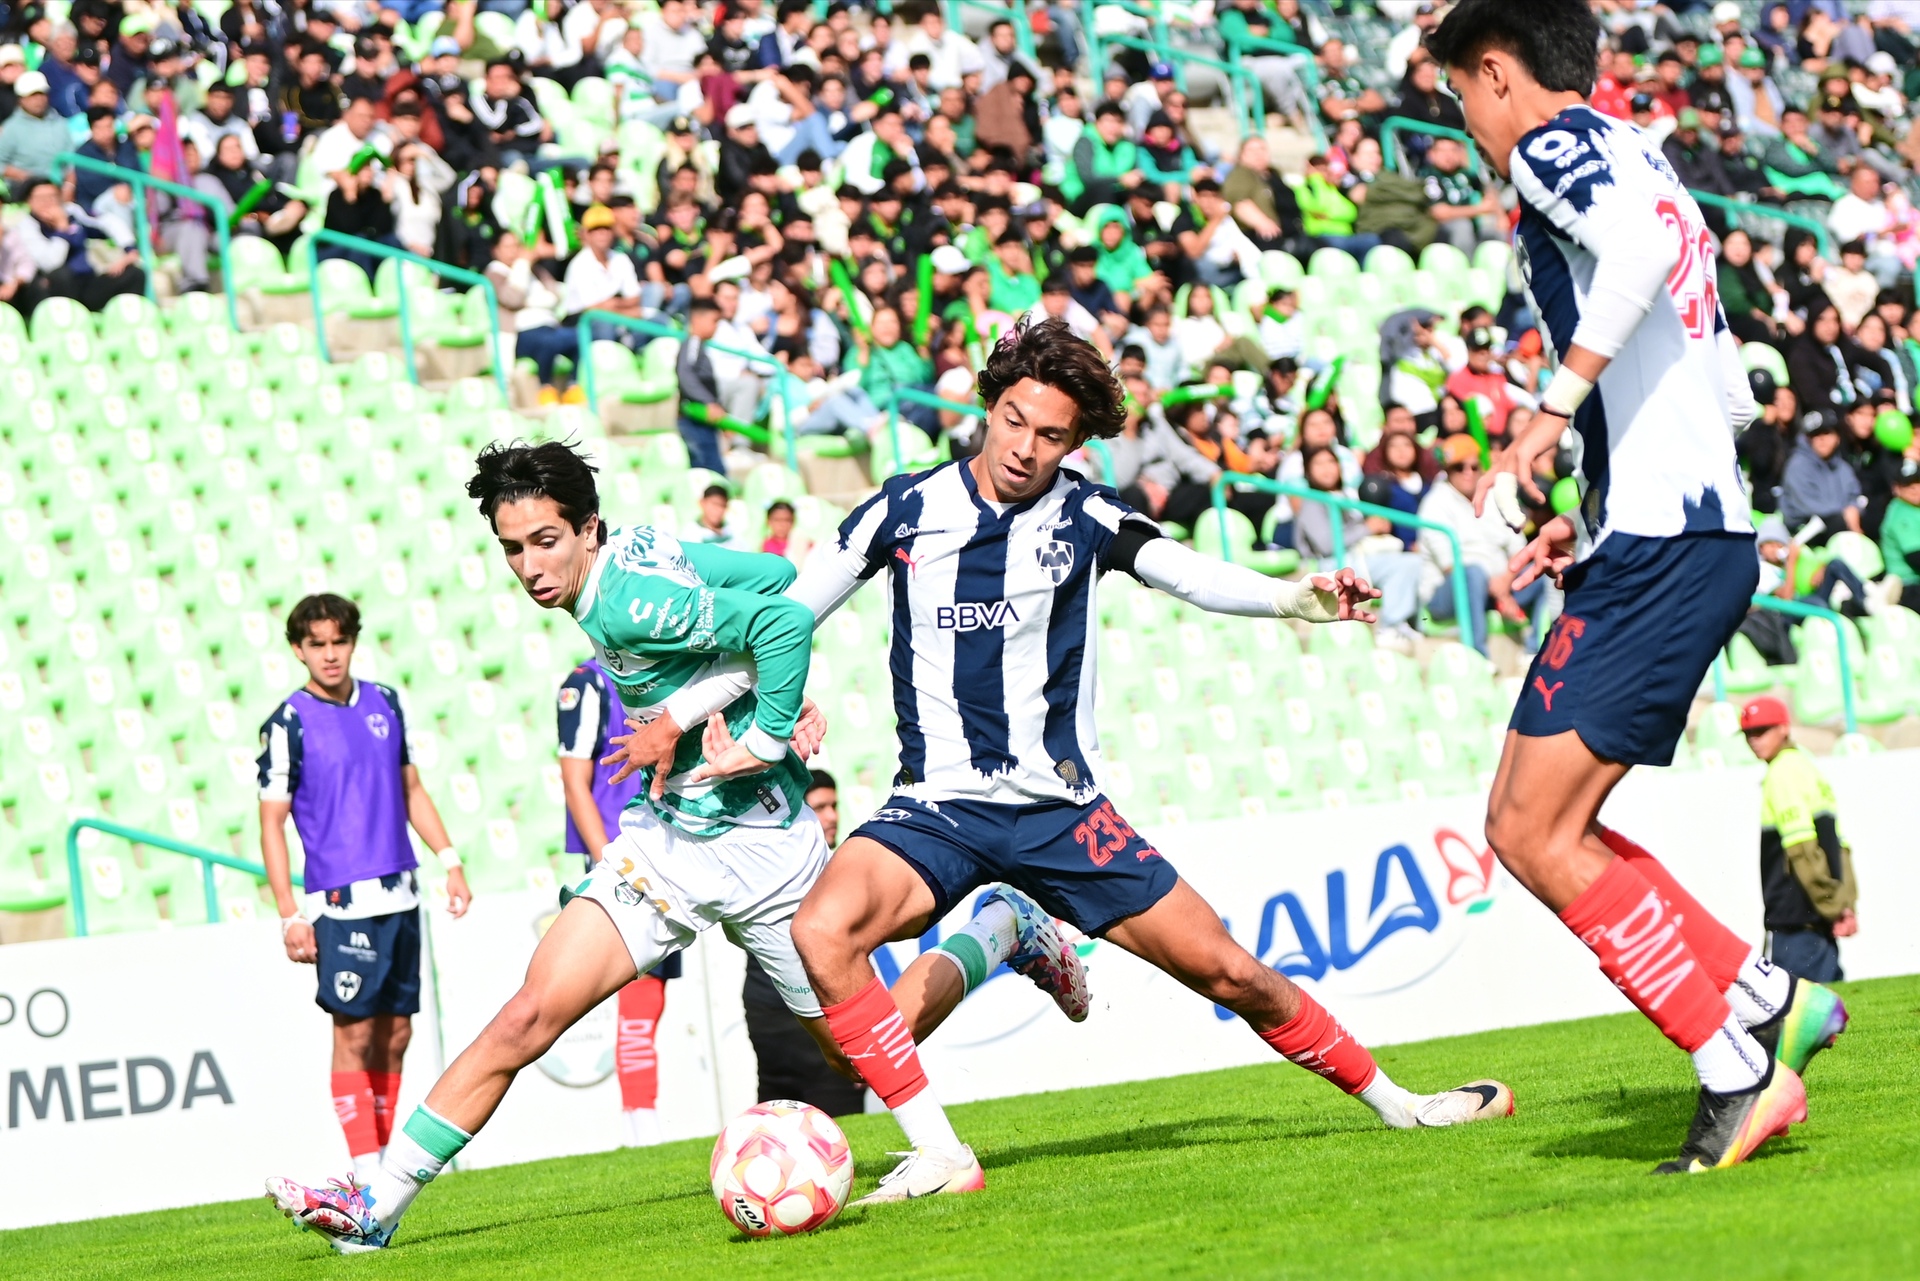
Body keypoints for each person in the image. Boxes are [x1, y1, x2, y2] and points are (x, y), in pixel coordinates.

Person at [770, 319, 1514, 1206]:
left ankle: (1402, 1105)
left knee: (1230, 972)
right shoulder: (902, 509)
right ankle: (944, 1143)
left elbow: (1189, 574)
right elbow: (786, 616)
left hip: (1061, 812)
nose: (1025, 447)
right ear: (988, 407)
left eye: (1051, 435)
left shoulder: (1082, 515)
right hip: (937, 806)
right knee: (821, 934)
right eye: (1013, 420)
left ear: (1076, 442)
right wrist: (732, 706)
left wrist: (1293, 598)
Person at [268, 442, 1081, 1250]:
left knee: (858, 1052)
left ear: (587, 528)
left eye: (545, 541)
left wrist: (763, 732)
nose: (528, 566)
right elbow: (768, 579)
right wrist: (753, 682)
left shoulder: (628, 599)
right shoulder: (636, 551)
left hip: (763, 847)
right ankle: (378, 1204)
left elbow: (783, 617)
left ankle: (999, 932)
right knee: (529, 1013)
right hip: (665, 842)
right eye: (512, 548)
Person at [1430, 0, 1845, 1177]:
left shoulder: (1554, 148)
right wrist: (1592, 507)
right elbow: (1724, 388)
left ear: (1499, 73)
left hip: (1666, 543)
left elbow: (1637, 265)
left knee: (1526, 827)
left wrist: (1548, 415)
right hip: (1678, 534)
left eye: (1461, 90)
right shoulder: (1644, 154)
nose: (1462, 118)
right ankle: (1769, 1001)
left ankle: (1737, 1067)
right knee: (1541, 814)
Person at [258, 594, 473, 1190]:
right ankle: (367, 1171)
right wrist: (288, 915)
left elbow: (412, 789)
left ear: (353, 641)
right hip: (338, 904)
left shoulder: (386, 703)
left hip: (402, 894)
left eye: (339, 641)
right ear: (298, 649)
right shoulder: (289, 723)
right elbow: (270, 823)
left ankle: (380, 1165)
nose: (330, 654)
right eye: (317, 644)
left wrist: (449, 860)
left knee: (397, 1034)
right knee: (353, 1033)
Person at [555, 655, 680, 1148]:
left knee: (651, 996)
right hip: (624, 856)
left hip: (669, 851)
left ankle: (640, 1120)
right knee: (635, 989)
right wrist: (608, 860)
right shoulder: (585, 684)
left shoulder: (669, 672)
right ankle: (641, 1122)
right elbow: (574, 781)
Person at [742, 768, 865, 1116]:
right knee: (780, 1127)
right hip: (776, 1012)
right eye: (820, 807)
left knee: (838, 1128)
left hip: (817, 1009)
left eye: (834, 805)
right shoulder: (773, 866)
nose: (831, 817)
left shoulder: (841, 864)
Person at [1738, 697, 1859, 985]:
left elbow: (1802, 850)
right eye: (1748, 734)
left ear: (1783, 728)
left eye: (1761, 731)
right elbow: (1836, 846)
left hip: (1796, 917)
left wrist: (1832, 905)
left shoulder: (1782, 773)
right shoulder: (1803, 764)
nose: (1754, 741)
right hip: (1814, 915)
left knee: (1795, 1009)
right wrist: (1841, 903)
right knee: (1830, 1000)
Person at [681, 481, 739, 547]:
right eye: (715, 504)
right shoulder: (690, 533)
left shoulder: (732, 531)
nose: (719, 510)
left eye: (723, 505)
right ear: (702, 503)